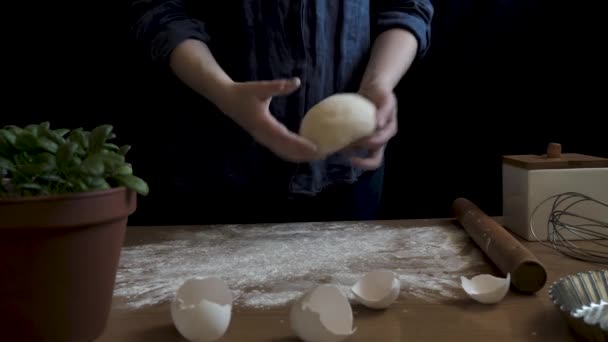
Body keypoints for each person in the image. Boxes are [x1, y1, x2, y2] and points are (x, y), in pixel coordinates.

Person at [127, 1, 434, 224]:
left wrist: (379, 82)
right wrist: (223, 91)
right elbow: (161, 10)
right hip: (220, 173)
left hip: (347, 175)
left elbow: (406, 5)